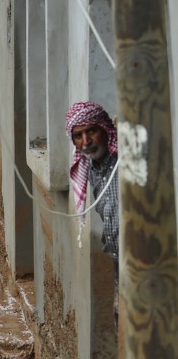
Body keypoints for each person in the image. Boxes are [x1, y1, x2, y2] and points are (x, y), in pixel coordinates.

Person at [66, 101, 119, 322]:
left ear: (105, 130)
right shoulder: (92, 169)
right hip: (118, 259)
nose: (86, 142)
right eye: (78, 136)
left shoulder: (122, 162)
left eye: (91, 131)